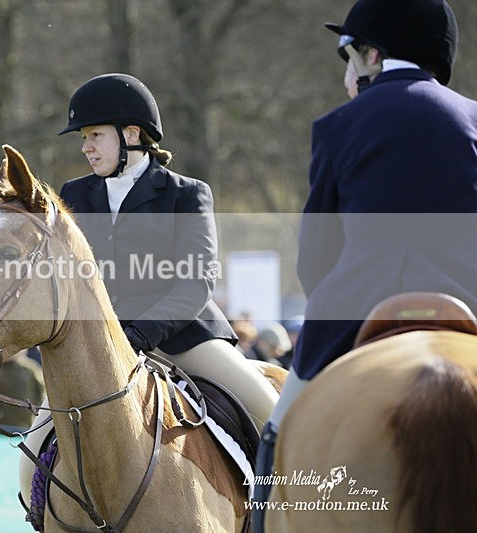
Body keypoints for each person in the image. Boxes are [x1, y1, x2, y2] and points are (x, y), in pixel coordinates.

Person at [252, 1, 477, 528]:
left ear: (372, 55)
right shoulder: (473, 119)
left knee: (274, 437)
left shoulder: (339, 125)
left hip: (353, 312)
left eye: (348, 57)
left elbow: (316, 258)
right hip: (469, 301)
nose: (346, 74)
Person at [56, 73, 278, 427]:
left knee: (272, 414)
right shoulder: (73, 194)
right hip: (100, 345)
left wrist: (141, 334)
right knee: (34, 443)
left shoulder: (186, 194)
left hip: (182, 340)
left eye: (95, 135)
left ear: (131, 134)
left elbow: (197, 282)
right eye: (84, 138)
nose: (86, 147)